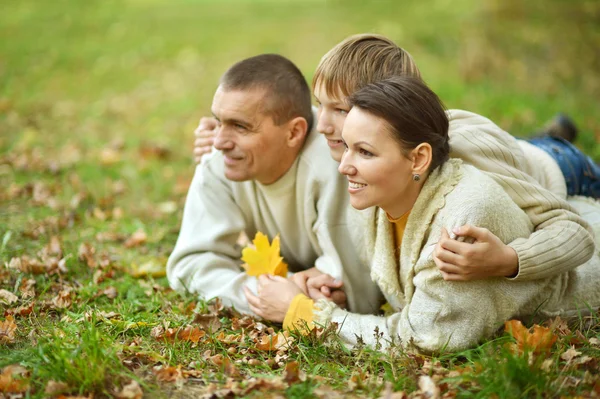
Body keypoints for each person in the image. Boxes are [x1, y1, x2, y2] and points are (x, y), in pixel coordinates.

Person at [193, 34, 598, 284]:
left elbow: (571, 230)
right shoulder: (355, 138)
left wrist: (511, 259)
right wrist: (232, 131)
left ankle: (550, 142)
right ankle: (545, 134)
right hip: (511, 147)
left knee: (518, 150)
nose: (322, 125)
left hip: (564, 170)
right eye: (321, 107)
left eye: (341, 110)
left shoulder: (464, 152)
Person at [244, 76, 600, 353]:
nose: (345, 168)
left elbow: (423, 337)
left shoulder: (461, 226)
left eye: (365, 153)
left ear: (418, 159)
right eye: (347, 148)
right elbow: (401, 286)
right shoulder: (371, 201)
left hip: (578, 215)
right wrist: (332, 287)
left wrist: (303, 314)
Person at [167, 54, 383, 316]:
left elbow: (356, 288)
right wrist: (278, 295)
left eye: (240, 126)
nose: (219, 141)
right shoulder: (219, 161)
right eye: (219, 121)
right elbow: (189, 265)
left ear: (293, 132)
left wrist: (296, 300)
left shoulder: (339, 162)